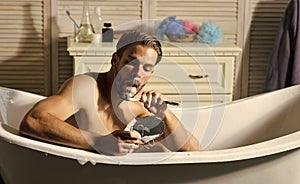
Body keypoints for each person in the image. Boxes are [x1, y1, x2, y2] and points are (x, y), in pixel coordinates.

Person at [19, 31, 200, 155]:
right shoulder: (86, 87)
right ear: (116, 60)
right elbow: (33, 120)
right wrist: (99, 142)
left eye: (146, 68)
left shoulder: (141, 111)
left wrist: (165, 113)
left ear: (151, 74)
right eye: (131, 63)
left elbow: (192, 152)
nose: (138, 73)